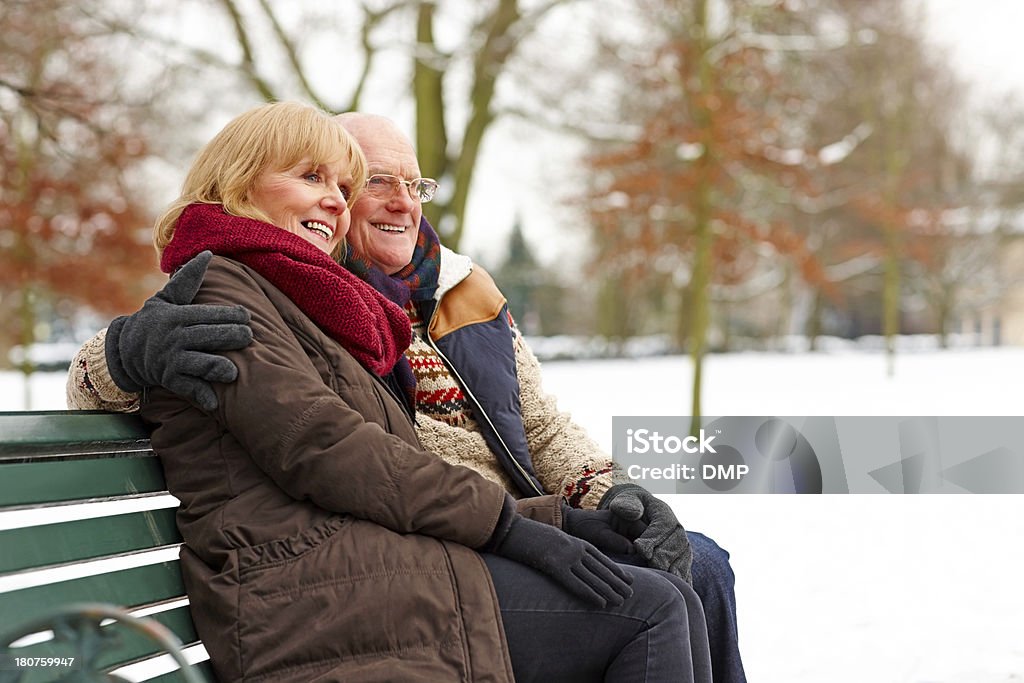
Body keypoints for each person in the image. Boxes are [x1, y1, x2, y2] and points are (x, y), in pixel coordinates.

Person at [67, 112, 743, 682]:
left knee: (694, 566)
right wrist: (119, 356)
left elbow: (541, 424)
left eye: (409, 183)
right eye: (368, 182)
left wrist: (606, 496)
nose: (392, 200)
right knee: (653, 602)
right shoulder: (262, 291)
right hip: (398, 553)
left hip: (437, 536)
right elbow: (326, 442)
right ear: (242, 184)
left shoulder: (443, 297)